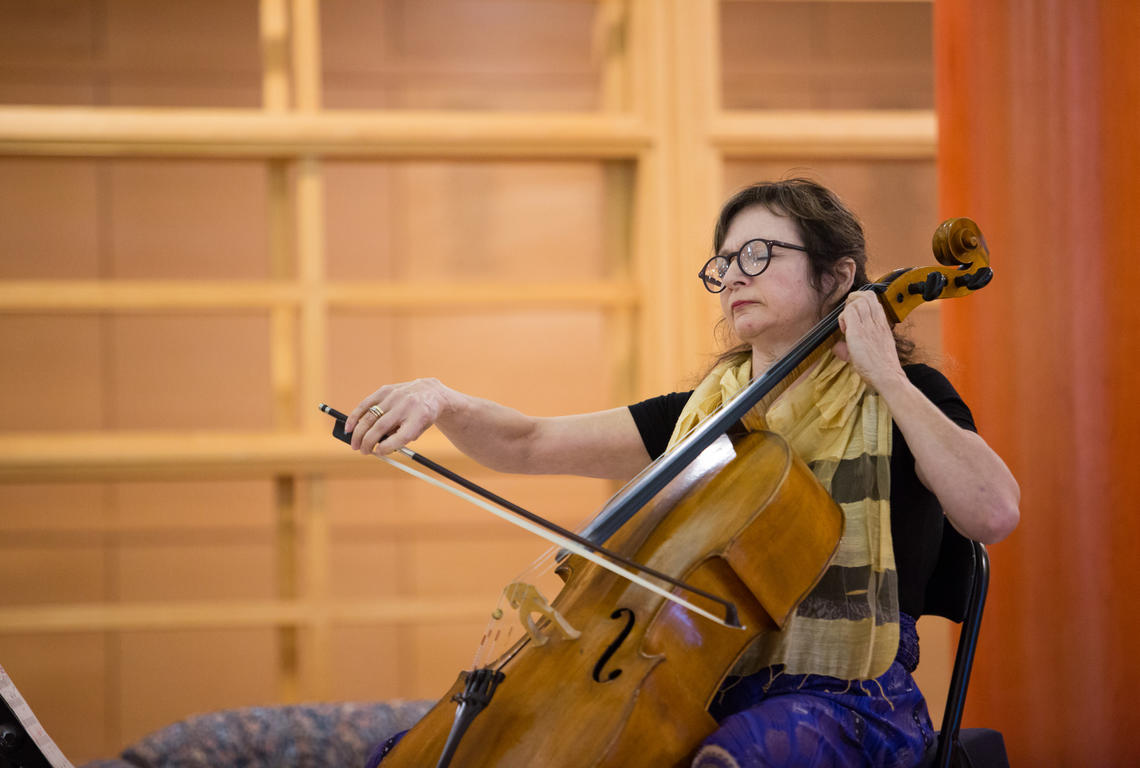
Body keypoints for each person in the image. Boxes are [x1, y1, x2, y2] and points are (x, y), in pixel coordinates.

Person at [346, 178, 1020, 768]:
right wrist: (442, 398)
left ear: (838, 277)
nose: (732, 276)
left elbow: (993, 512)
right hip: (698, 682)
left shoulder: (905, 393)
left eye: (757, 255)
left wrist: (887, 377)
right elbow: (527, 443)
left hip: (848, 697)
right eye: (722, 263)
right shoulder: (706, 417)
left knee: (741, 755)